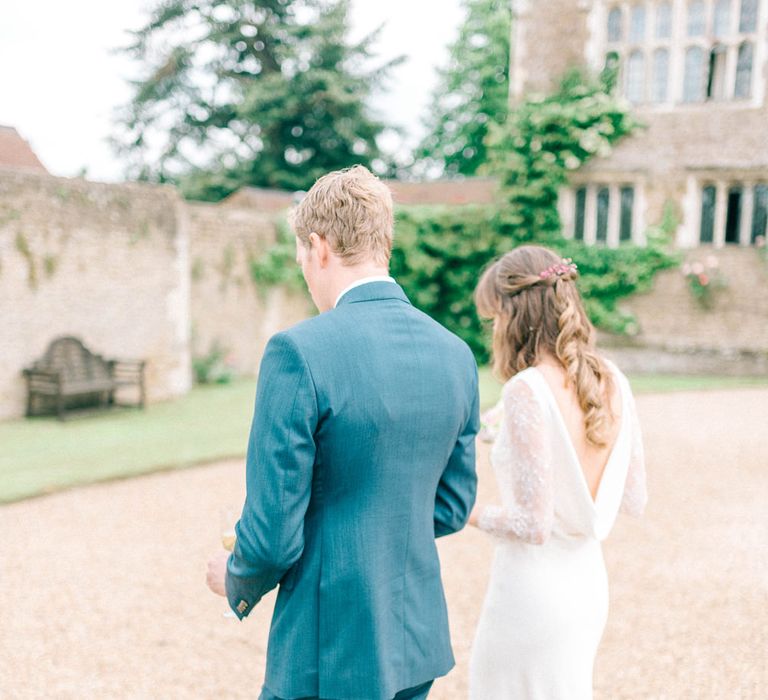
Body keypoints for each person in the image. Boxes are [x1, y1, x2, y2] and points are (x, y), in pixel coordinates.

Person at [206, 165, 479, 700]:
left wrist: (235, 576)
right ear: (382, 243)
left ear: (318, 246)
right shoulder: (456, 353)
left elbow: (271, 537)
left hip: (326, 648)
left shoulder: (298, 352)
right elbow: (450, 506)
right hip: (414, 642)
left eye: (302, 257)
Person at [467, 245, 647, 699]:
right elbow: (633, 497)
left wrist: (461, 510)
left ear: (514, 313)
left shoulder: (526, 389)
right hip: (586, 588)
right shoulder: (614, 381)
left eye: (494, 318)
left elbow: (533, 524)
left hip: (531, 597)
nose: (494, 329)